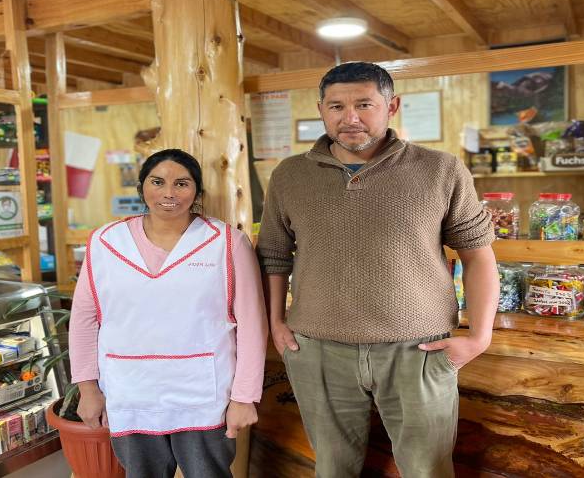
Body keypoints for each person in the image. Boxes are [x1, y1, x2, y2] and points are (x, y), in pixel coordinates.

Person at [257, 62, 499, 478]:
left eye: (364, 104)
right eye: (336, 106)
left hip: (418, 350)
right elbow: (275, 256)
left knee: (428, 470)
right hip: (318, 350)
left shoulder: (441, 169)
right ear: (321, 110)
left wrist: (479, 335)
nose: (349, 117)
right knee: (332, 468)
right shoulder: (290, 175)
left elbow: (478, 255)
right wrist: (276, 323)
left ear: (393, 106)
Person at [69, 148, 268, 478]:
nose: (169, 193)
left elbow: (251, 325)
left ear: (197, 192)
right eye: (157, 182)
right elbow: (83, 320)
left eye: (182, 183)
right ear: (142, 187)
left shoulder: (226, 242)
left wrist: (244, 397)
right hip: (130, 392)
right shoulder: (105, 242)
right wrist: (88, 390)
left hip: (203, 395)